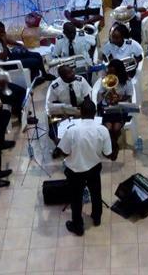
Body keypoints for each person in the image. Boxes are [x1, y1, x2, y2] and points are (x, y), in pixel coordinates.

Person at [55, 99, 113, 236]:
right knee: (96, 193)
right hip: (94, 167)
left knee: (76, 198)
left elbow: (65, 151)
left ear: (80, 112)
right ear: (95, 113)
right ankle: (96, 217)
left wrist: (59, 142)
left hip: (75, 170)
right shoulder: (102, 130)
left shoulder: (72, 131)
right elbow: (107, 153)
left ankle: (78, 226)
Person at [96, 59, 134, 160]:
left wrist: (119, 98)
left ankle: (112, 145)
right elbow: (101, 93)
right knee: (108, 128)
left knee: (116, 128)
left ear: (119, 71)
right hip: (107, 107)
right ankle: (113, 145)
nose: (110, 74)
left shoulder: (127, 82)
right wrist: (108, 96)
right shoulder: (105, 79)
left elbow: (129, 96)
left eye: (113, 72)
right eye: (109, 71)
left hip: (120, 107)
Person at [47, 65, 93, 139]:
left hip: (81, 108)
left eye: (72, 71)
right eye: (69, 73)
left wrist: (83, 113)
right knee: (53, 133)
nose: (73, 74)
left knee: (83, 130)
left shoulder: (80, 80)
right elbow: (51, 104)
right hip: (64, 111)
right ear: (62, 77)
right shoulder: (54, 86)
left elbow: (87, 98)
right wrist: (63, 114)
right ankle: (61, 148)